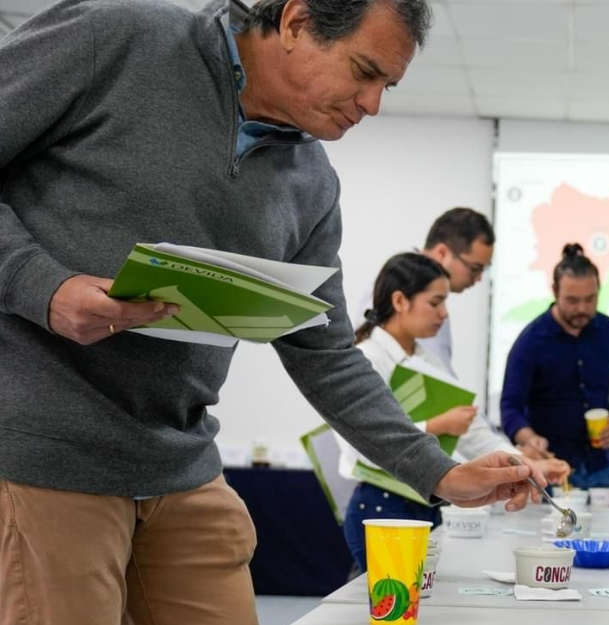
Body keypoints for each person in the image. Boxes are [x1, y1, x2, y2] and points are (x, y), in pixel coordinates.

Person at [0, 2, 545, 624]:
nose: (372, 105)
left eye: (386, 86)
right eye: (363, 72)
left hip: (180, 462)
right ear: (294, 22)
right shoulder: (116, 40)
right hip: (45, 448)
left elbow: (327, 352)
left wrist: (441, 475)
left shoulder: (311, 181)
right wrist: (40, 285)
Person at [339, 253, 569, 571]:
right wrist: (438, 424)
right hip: (382, 505)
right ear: (400, 300)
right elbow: (360, 446)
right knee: (388, 611)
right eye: (435, 302)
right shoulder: (366, 357)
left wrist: (524, 463)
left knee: (413, 610)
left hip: (426, 503)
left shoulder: (427, 362)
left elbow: (474, 435)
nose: (444, 314)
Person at [501, 244, 609, 492]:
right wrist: (529, 439)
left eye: (590, 299)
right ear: (554, 291)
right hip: (550, 469)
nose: (582, 309)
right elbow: (510, 407)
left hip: (601, 468)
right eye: (572, 300)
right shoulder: (531, 341)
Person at [358, 207, 495, 376]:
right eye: (475, 268)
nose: (479, 278)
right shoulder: (368, 359)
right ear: (399, 302)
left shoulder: (427, 358)